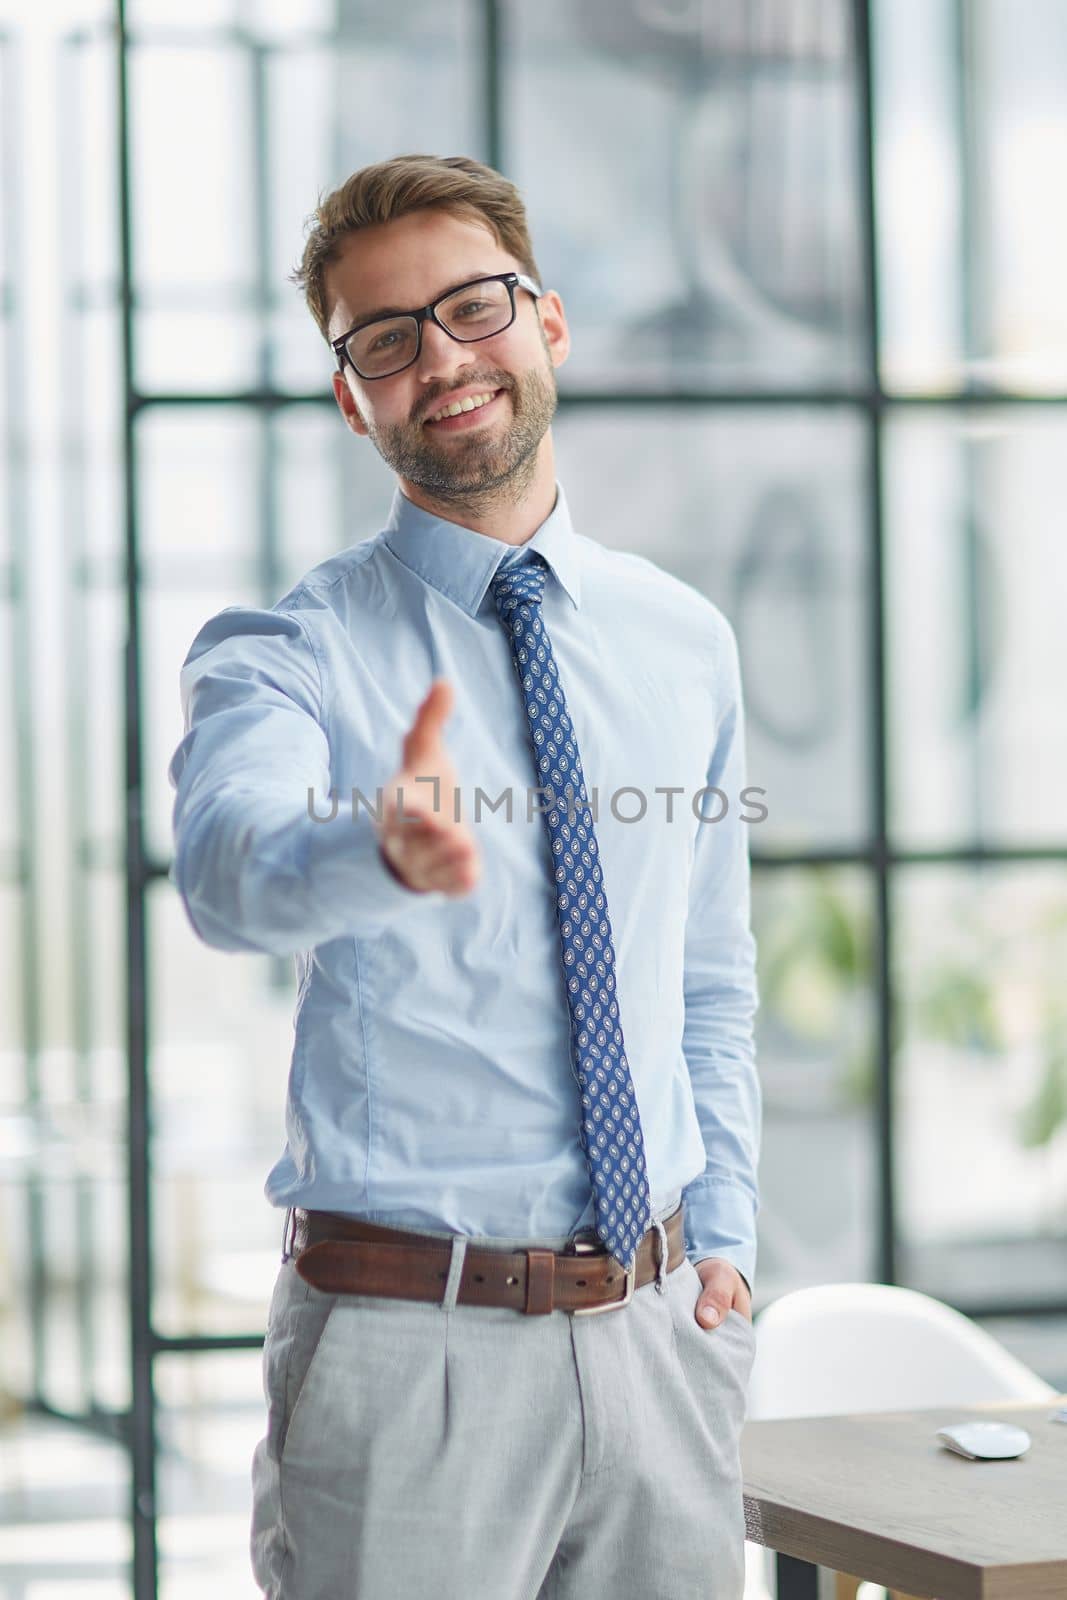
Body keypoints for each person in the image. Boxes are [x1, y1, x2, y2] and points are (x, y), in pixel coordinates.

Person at [167, 152, 762, 1600]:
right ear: (351, 394)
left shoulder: (684, 639)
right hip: (406, 1362)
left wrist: (726, 1246)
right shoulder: (286, 651)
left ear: (545, 323)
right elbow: (227, 872)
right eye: (387, 337)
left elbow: (708, 976)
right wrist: (367, 847)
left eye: (472, 307)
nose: (441, 357)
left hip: (660, 1336)